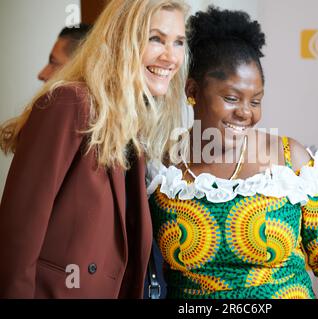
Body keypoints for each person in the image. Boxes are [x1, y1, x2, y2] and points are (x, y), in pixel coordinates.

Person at [146, 6, 318, 299]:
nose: (245, 113)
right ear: (193, 91)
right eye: (231, 98)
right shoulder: (162, 169)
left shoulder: (291, 160)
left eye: (256, 100)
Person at [0, 0, 189, 299]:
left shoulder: (134, 121)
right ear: (120, 40)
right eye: (155, 38)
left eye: (178, 42)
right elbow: (16, 237)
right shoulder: (70, 102)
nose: (171, 56)